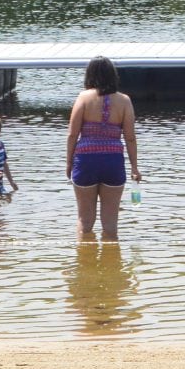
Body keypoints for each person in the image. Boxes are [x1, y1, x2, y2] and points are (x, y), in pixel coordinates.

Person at [65, 55, 141, 241]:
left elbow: (72, 134)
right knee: (110, 224)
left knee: (85, 221)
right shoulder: (124, 101)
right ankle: (112, 267)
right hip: (113, 161)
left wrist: (69, 163)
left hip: (86, 161)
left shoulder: (83, 98)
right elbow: (130, 138)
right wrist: (134, 167)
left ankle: (85, 264)